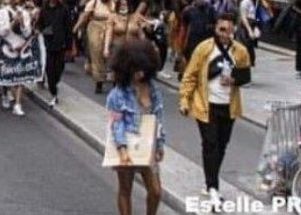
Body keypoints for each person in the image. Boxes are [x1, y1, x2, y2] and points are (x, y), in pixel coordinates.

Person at [178, 14, 251, 204]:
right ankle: (213, 187)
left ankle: (210, 180)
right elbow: (190, 75)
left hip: (229, 106)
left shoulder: (240, 51)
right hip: (206, 105)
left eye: (229, 30)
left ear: (233, 30)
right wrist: (184, 100)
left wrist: (234, 79)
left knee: (221, 145)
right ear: (216, 29)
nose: (225, 34)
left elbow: (246, 76)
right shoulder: (204, 49)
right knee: (210, 144)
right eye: (221, 29)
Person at [106, 39, 165, 215]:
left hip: (148, 145)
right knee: (125, 189)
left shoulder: (154, 90)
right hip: (126, 143)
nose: (139, 73)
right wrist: (122, 149)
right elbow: (116, 122)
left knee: (155, 191)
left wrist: (160, 144)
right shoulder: (116, 95)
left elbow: (159, 120)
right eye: (135, 69)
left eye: (142, 69)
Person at [75, 0, 117, 94]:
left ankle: (115, 81)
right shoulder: (93, 2)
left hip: (109, 26)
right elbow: (84, 16)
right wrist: (76, 28)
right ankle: (99, 82)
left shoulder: (113, 3)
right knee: (97, 52)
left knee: (111, 52)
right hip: (95, 26)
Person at [37, 0, 72, 107]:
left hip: (61, 44)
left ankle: (55, 82)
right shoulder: (44, 9)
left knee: (59, 69)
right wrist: (45, 31)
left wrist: (69, 46)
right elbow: (39, 25)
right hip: (48, 44)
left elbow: (68, 28)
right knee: (50, 70)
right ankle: (53, 94)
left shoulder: (64, 9)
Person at [0, 0, 34, 116]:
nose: (15, 0)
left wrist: (23, 23)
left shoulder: (24, 13)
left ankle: (17, 105)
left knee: (19, 77)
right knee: (6, 75)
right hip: (7, 48)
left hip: (20, 48)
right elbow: (1, 32)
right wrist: (13, 22)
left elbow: (28, 33)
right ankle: (4, 94)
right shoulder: (2, 12)